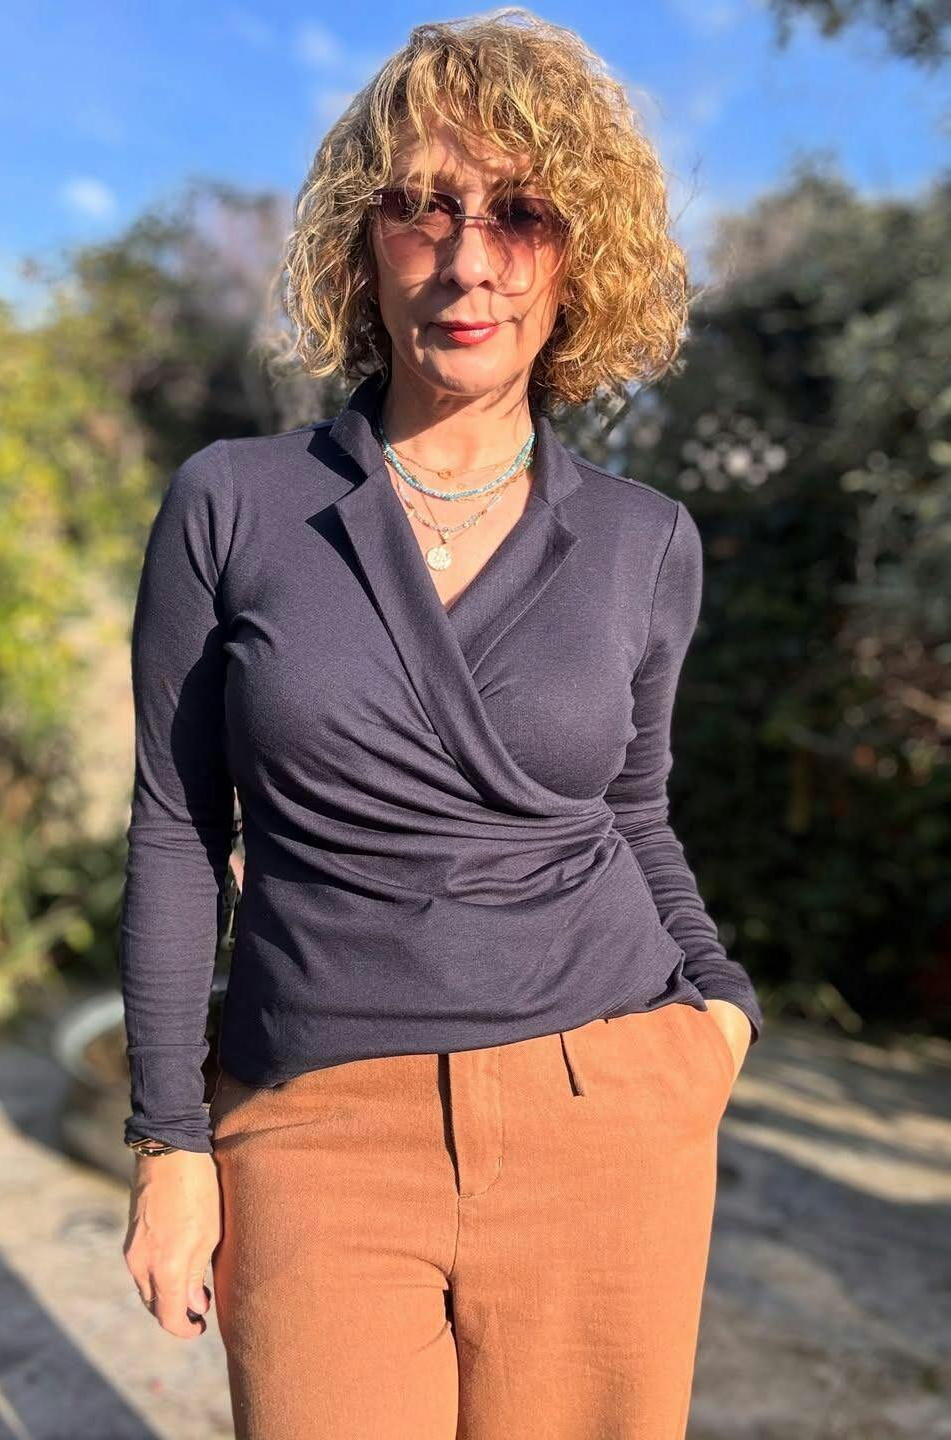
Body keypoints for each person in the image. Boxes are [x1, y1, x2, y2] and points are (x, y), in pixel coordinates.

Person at [120, 9, 762, 1437]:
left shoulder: (647, 541)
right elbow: (176, 829)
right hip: (316, 1124)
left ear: (582, 255)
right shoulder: (235, 503)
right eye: (424, 206)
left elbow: (634, 812)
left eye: (522, 212)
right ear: (364, 242)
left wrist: (719, 1014)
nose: (470, 260)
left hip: (607, 1109)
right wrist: (169, 1137)